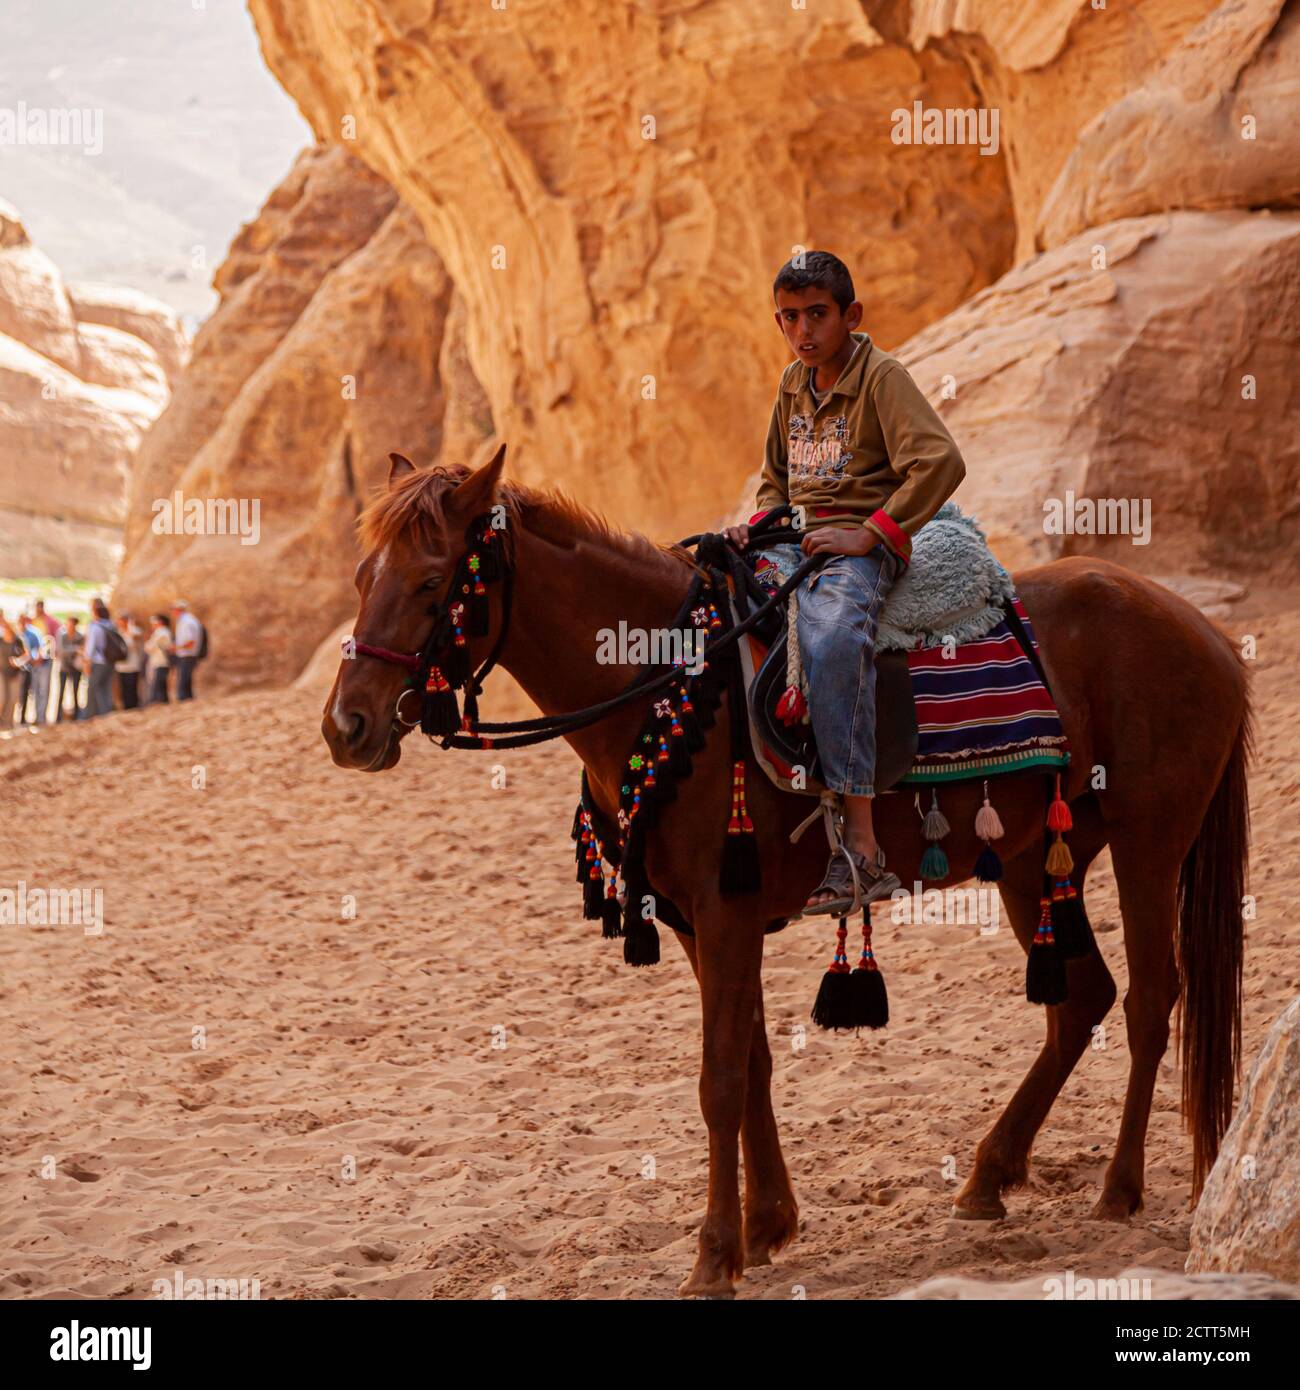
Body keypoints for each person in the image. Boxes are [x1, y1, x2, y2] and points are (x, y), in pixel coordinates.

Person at [724, 251, 966, 914]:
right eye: (789, 318)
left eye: (818, 315)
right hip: (793, 542)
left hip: (859, 550)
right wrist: (759, 523)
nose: (803, 331)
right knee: (715, 614)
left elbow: (941, 462)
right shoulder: (791, 385)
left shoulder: (882, 377)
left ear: (850, 315)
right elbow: (777, 478)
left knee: (831, 639)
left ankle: (860, 847)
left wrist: (871, 534)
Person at [81, 599, 118, 718]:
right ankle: (106, 713)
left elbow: (90, 648)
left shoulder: (95, 627)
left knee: (92, 689)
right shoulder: (111, 626)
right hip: (110, 662)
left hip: (98, 662)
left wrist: (86, 663)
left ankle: (89, 715)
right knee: (106, 689)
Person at [20, 611, 51, 725]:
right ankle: (37, 717)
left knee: (42, 691)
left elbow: (40, 650)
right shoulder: (21, 634)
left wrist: (33, 659)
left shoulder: (33, 633)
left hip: (41, 665)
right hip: (32, 665)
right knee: (35, 692)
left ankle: (41, 718)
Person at [171, 600, 202, 701]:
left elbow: (190, 641)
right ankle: (188, 699)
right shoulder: (187, 620)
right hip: (188, 654)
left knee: (183, 680)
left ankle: (184, 699)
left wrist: (176, 647)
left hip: (187, 654)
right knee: (186, 679)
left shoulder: (186, 622)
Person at [56, 616, 84, 720]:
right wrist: (75, 649)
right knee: (60, 693)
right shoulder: (62, 636)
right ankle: (58, 717)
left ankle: (77, 717)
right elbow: (61, 651)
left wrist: (72, 650)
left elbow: (83, 650)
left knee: (76, 693)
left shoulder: (80, 636)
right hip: (64, 668)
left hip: (76, 669)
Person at [114, 612, 144, 709]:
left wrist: (130, 626)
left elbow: (135, 640)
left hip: (133, 665)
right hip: (121, 665)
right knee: (124, 688)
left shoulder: (135, 631)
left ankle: (134, 706)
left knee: (132, 687)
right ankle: (126, 706)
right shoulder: (118, 632)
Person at [0, 617, 24, 730]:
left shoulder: (18, 640)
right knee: (2, 698)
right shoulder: (0, 640)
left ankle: (9, 723)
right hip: (1, 673)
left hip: (15, 674)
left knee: (13, 699)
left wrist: (19, 661)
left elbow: (26, 655)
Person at [144, 612, 173, 704]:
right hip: (159, 661)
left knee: (158, 683)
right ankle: (162, 701)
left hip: (161, 661)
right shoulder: (162, 632)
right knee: (161, 683)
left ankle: (157, 702)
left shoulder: (162, 632)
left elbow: (149, 647)